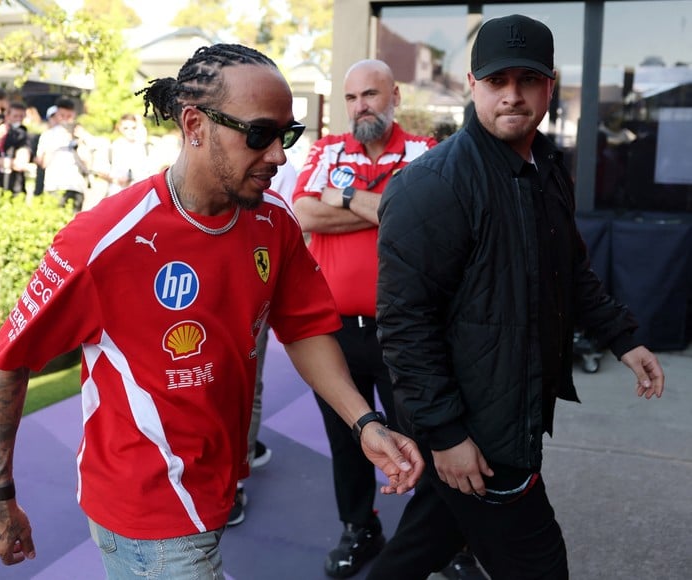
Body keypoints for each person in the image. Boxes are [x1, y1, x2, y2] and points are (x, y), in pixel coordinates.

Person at [0, 43, 424, 579]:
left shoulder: (273, 222)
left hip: (218, 483)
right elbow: (7, 359)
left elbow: (304, 330)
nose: (279, 155)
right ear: (194, 124)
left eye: (288, 134)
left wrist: (364, 422)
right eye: (259, 134)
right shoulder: (105, 240)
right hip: (149, 512)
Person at [370, 14, 665, 580]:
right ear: (472, 85)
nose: (512, 95)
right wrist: (448, 436)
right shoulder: (433, 185)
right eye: (496, 80)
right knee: (540, 566)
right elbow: (406, 326)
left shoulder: (546, 167)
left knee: (425, 540)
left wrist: (622, 339)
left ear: (550, 85)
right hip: (476, 429)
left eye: (526, 80)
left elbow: (569, 271)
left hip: (511, 412)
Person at [291, 59, 437, 579]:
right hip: (334, 334)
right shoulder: (327, 148)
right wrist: (385, 206)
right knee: (347, 438)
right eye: (352, 98)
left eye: (371, 94)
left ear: (394, 95)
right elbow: (304, 213)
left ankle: (446, 540)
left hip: (407, 332)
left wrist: (347, 196)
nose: (361, 107)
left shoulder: (424, 152)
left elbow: (427, 218)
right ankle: (360, 528)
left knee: (427, 437)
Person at [227, 159, 297, 527]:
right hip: (219, 288)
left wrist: (363, 422)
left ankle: (237, 479)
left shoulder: (279, 186)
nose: (276, 153)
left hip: (257, 282)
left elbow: (302, 218)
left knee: (248, 383)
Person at [34, 96, 91, 211]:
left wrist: (79, 141)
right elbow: (43, 163)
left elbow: (88, 163)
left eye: (69, 116)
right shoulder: (48, 135)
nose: (65, 119)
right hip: (53, 186)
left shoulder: (80, 134)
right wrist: (56, 144)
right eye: (62, 115)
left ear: (74, 115)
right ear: (57, 115)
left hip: (75, 186)